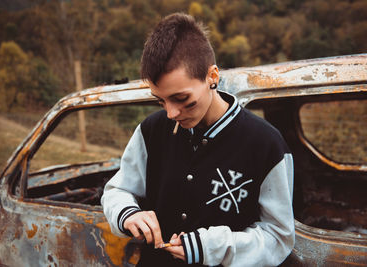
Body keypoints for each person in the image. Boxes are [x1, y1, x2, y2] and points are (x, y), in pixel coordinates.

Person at [101, 13, 295, 267]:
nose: (171, 113)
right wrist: (127, 214)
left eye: (182, 99)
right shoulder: (151, 129)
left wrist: (211, 247)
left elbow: (278, 238)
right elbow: (118, 190)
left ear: (212, 76)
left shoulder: (267, 144)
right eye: (160, 100)